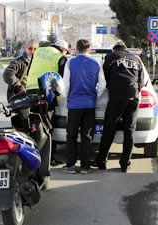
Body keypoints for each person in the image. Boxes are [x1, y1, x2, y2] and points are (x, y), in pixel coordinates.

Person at [92, 40, 144, 173]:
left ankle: (102, 161)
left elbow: (104, 80)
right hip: (133, 97)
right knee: (129, 131)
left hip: (117, 97)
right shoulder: (137, 59)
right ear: (126, 49)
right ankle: (125, 164)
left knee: (109, 129)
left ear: (114, 50)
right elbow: (141, 82)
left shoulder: (110, 57)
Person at [62, 39, 106, 174]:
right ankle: (85, 166)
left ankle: (71, 165)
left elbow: (66, 84)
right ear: (89, 49)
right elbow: (102, 84)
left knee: (71, 135)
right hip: (89, 104)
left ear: (76, 48)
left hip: (74, 105)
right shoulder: (97, 62)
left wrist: (66, 96)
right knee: (87, 135)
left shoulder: (70, 62)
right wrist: (95, 95)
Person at [26, 40, 69, 165]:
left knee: (34, 124)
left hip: (30, 90)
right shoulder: (60, 57)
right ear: (63, 49)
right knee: (47, 126)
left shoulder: (38, 51)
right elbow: (61, 80)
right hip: (45, 92)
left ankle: (31, 155)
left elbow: (29, 71)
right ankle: (48, 158)